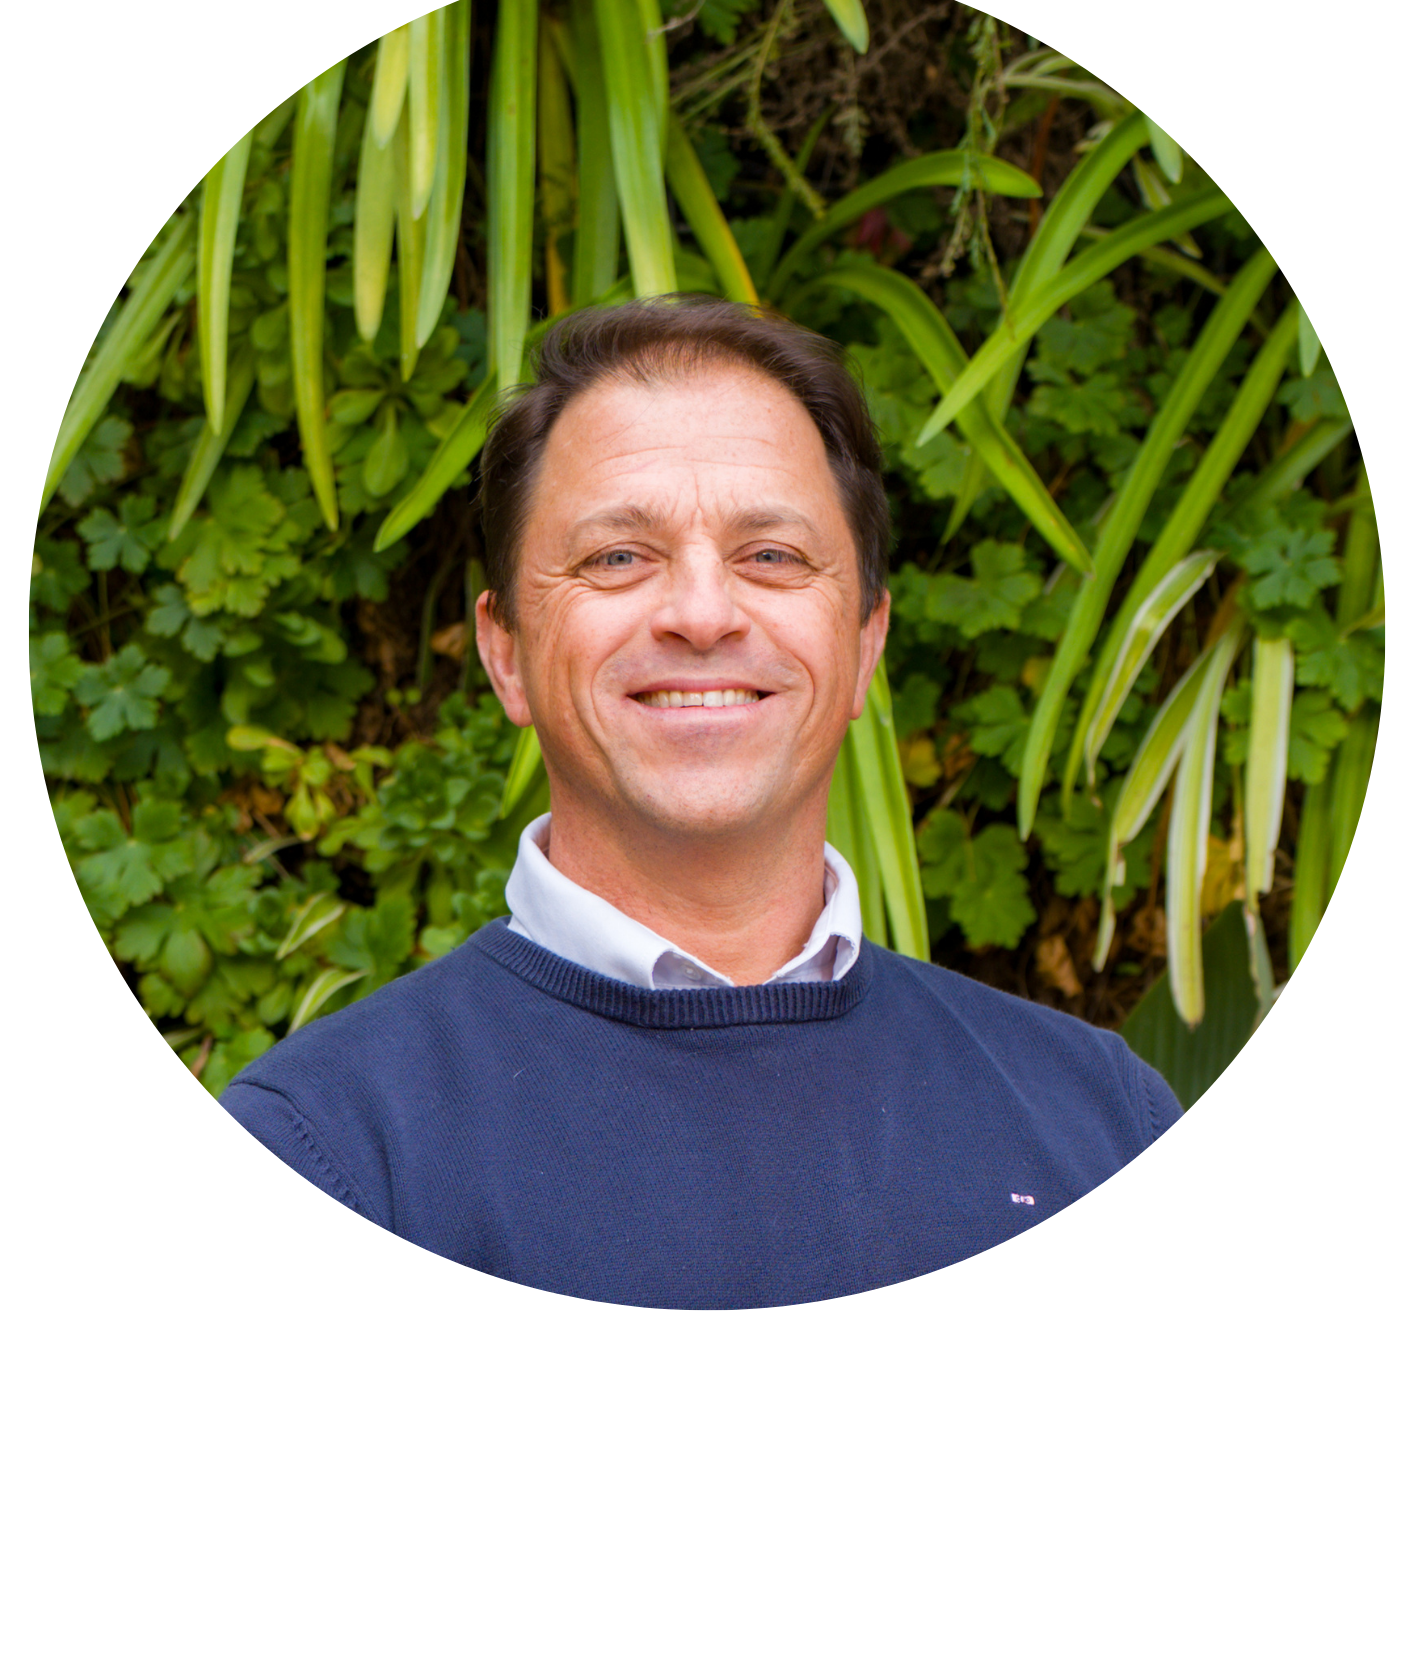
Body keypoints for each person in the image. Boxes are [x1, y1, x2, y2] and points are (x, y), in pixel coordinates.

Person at [222, 296, 1182, 1307]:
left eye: (771, 555)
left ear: (864, 644)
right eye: (616, 557)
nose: (701, 613)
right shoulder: (327, 1146)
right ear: (505, 653)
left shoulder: (1101, 1119)